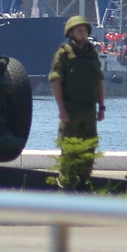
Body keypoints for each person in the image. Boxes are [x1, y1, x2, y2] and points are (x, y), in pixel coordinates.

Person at [49, 15, 105, 188]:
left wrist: (101, 106)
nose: (83, 34)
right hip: (71, 109)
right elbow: (56, 81)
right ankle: (66, 185)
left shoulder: (92, 54)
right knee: (69, 150)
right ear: (71, 33)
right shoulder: (64, 54)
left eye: (85, 31)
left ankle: (83, 183)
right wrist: (62, 110)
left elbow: (98, 81)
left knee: (88, 150)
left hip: (89, 110)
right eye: (79, 30)